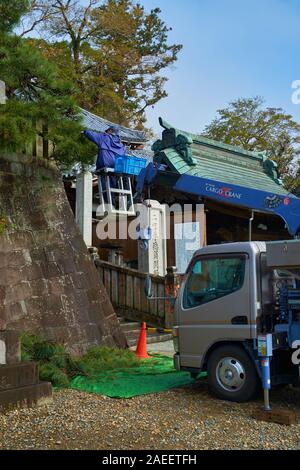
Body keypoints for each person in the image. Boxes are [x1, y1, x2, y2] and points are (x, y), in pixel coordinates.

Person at [84, 125, 126, 206]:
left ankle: (107, 204)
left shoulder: (104, 138)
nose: (105, 132)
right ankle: (113, 202)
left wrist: (85, 131)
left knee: (105, 184)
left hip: (104, 165)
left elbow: (91, 134)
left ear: (110, 131)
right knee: (113, 185)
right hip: (116, 167)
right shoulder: (121, 144)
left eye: (107, 131)